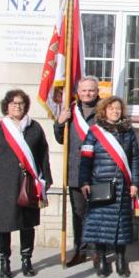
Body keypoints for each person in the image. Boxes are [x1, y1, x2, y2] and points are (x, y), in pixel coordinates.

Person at [0, 89, 52, 278]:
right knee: (2, 225)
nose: (17, 106)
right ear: (7, 106)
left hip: (28, 185)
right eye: (13, 103)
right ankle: (4, 262)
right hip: (2, 186)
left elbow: (43, 155)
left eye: (21, 103)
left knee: (27, 224)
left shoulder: (35, 128)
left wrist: (46, 179)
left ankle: (26, 260)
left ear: (26, 106)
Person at [79, 96, 139, 278]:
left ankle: (121, 260)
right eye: (111, 108)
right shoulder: (94, 132)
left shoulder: (128, 132)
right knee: (100, 225)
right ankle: (102, 261)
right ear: (104, 111)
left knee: (121, 226)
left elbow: (135, 159)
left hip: (123, 186)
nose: (115, 111)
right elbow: (85, 160)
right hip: (100, 185)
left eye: (118, 108)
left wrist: (135, 183)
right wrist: (84, 182)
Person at [53, 75, 100, 267]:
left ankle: (96, 252)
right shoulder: (70, 111)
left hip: (98, 171)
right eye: (84, 90)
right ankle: (80, 251)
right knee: (79, 213)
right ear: (78, 92)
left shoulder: (103, 111)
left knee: (96, 213)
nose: (87, 93)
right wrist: (59, 122)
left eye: (91, 90)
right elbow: (61, 139)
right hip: (75, 172)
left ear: (97, 92)